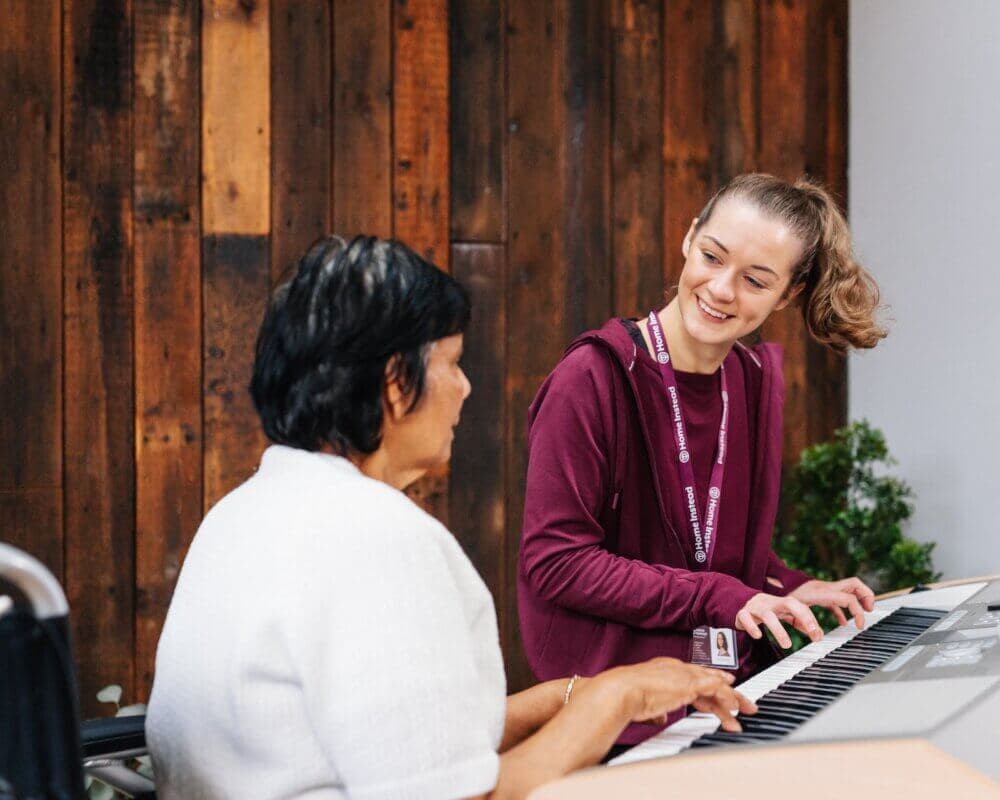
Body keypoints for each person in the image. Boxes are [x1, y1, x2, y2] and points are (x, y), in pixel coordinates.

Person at [146, 235, 754, 800]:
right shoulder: (380, 539)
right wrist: (619, 698)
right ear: (393, 384)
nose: (465, 388)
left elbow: (400, 743)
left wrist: (571, 695)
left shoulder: (241, 514)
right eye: (452, 362)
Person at [517, 173, 881, 747]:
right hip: (616, 718)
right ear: (689, 237)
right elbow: (558, 563)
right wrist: (722, 596)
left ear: (787, 294)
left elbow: (703, 546)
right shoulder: (590, 379)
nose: (721, 289)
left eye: (756, 281)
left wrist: (784, 586)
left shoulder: (752, 380)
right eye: (712, 256)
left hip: (728, 694)